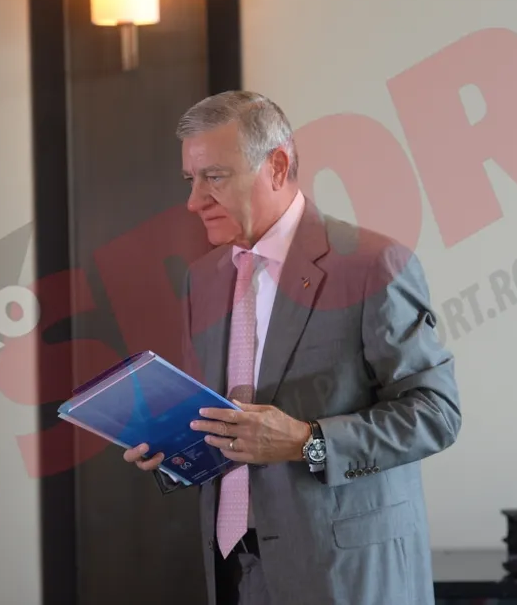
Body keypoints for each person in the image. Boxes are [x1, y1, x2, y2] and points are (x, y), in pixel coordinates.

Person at [123, 90, 461, 605]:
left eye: (214, 177)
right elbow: (217, 420)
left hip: (344, 575)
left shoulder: (371, 265)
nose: (194, 201)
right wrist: (174, 449)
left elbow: (436, 414)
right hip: (231, 571)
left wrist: (309, 441)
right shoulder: (203, 279)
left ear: (277, 166)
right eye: (190, 180)